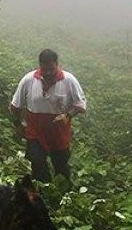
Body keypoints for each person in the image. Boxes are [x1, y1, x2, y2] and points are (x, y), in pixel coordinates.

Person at [9, 49, 87, 182]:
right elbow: (15, 106)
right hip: (36, 133)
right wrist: (18, 124)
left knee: (61, 169)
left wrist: (68, 115)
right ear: (40, 65)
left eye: (51, 69)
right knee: (37, 164)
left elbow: (81, 105)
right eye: (45, 69)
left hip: (59, 134)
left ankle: (63, 197)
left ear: (57, 64)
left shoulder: (69, 80)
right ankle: (43, 193)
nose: (48, 73)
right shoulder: (29, 80)